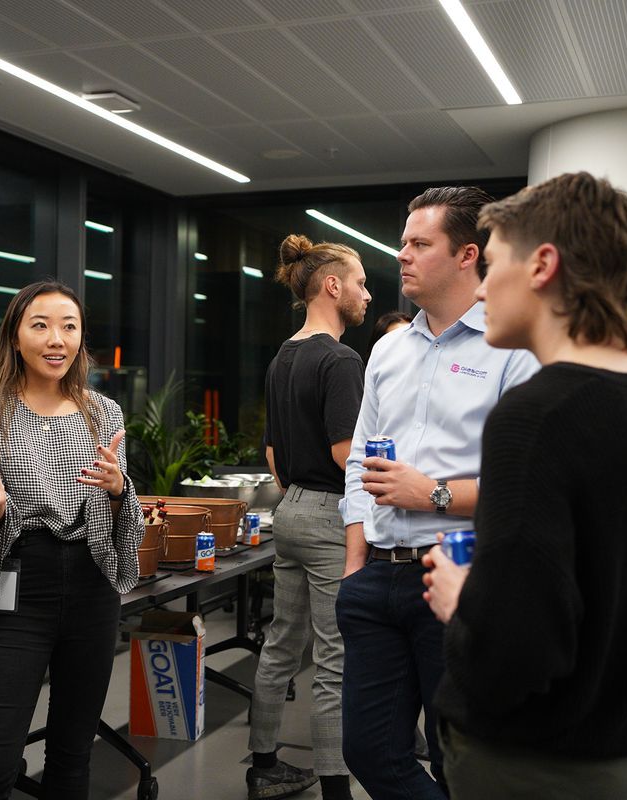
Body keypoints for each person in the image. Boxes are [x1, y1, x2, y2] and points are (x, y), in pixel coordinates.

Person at [423, 172, 627, 799]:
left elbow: (515, 652)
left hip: (540, 764)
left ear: (543, 266)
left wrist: (463, 600)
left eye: (493, 266)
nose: (482, 289)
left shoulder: (535, 417)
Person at [336, 186, 539, 799]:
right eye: (403, 242)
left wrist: (434, 495)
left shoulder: (512, 348)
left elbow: (528, 483)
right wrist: (354, 564)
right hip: (377, 577)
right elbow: (360, 458)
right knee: (369, 752)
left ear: (467, 254)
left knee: (462, 762)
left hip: (460, 573)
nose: (401, 254)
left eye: (420, 244)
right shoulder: (387, 349)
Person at [0, 280, 144, 800]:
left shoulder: (104, 412)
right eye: (41, 325)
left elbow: (120, 518)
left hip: (93, 583)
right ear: (15, 336)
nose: (57, 339)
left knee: (73, 753)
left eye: (69, 327)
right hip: (20, 582)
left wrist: (119, 491)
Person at [246, 234, 370, 800]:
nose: (367, 294)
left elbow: (273, 454)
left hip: (290, 509)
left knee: (280, 645)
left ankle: (264, 765)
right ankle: (336, 788)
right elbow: (347, 454)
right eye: (361, 283)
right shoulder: (340, 359)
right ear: (333, 286)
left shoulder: (283, 357)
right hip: (327, 516)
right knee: (333, 658)